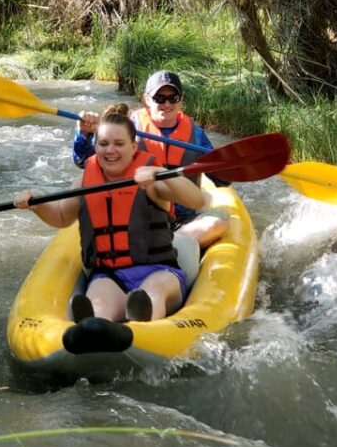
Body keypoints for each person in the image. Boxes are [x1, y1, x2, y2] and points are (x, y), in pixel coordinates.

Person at [15, 103, 206, 323]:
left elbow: (197, 200)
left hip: (159, 271)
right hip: (110, 275)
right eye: (103, 144)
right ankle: (94, 326)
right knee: (99, 302)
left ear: (134, 147)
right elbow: (60, 217)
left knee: (153, 292)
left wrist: (161, 173)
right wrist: (36, 204)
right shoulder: (85, 181)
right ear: (95, 147)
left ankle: (143, 320)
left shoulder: (151, 180)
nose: (110, 150)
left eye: (119, 144)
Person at [72, 70, 229, 248]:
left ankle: (170, 244)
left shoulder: (196, 134)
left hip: (183, 219)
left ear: (181, 99)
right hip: (138, 217)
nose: (167, 104)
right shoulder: (128, 128)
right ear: (147, 99)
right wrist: (84, 133)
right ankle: (169, 246)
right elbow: (85, 161)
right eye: (159, 98)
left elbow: (221, 180)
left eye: (173, 97)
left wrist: (229, 165)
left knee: (218, 223)